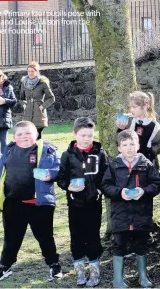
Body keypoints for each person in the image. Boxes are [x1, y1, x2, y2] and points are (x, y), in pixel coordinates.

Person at [0, 121, 62, 282]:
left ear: (36, 134)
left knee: (45, 237)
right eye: (20, 134)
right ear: (14, 137)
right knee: (11, 237)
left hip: (38, 204)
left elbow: (59, 169)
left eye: (28, 133)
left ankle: (54, 264)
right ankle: (5, 265)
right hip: (13, 203)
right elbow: (0, 176)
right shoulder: (8, 150)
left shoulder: (46, 150)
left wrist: (50, 174)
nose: (24, 137)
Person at [102, 129, 160, 288]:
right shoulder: (114, 166)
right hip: (120, 214)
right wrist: (120, 192)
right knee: (119, 244)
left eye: (132, 144)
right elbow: (105, 186)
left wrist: (144, 191)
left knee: (141, 244)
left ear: (138, 145)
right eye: (124, 144)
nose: (129, 147)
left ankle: (143, 276)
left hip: (141, 213)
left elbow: (156, 185)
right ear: (119, 148)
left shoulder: (146, 164)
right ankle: (118, 279)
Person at [56, 117, 109, 287]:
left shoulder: (100, 153)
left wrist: (99, 190)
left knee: (93, 235)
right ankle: (79, 269)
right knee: (76, 236)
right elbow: (61, 178)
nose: (87, 138)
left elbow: (105, 176)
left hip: (94, 202)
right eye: (83, 135)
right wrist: (69, 187)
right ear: (75, 134)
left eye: (90, 135)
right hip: (75, 203)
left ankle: (94, 270)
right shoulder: (67, 155)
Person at [115, 91, 160, 169]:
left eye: (134, 107)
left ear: (145, 107)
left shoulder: (154, 126)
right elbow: (118, 141)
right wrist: (121, 129)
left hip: (147, 164)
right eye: (130, 107)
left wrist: (150, 151)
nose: (131, 110)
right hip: (129, 162)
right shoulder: (129, 121)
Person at [19, 61, 55, 139]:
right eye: (29, 71)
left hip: (39, 114)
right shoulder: (24, 83)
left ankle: (40, 151)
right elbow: (21, 98)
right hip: (27, 114)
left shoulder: (43, 83)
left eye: (32, 71)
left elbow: (51, 98)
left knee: (38, 138)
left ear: (37, 72)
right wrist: (24, 105)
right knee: (28, 138)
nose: (30, 73)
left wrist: (42, 106)